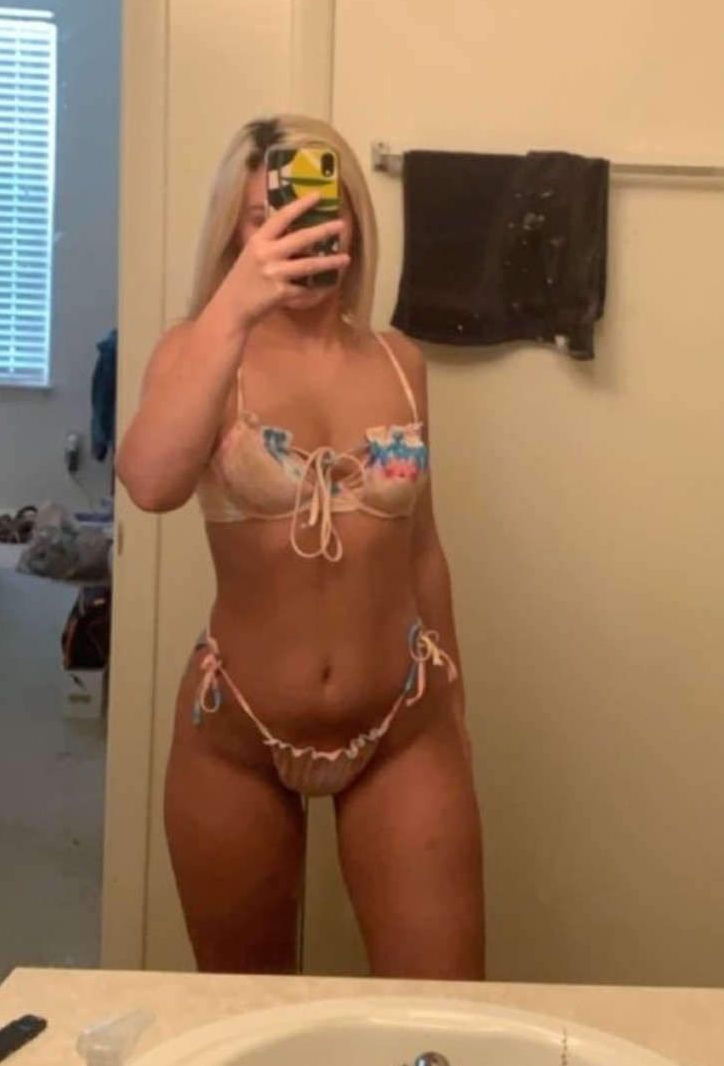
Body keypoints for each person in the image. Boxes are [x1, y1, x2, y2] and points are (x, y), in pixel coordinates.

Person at [117, 113, 485, 978]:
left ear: (352, 220)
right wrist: (235, 304)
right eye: (265, 217)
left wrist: (457, 708)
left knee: (445, 1021)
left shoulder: (399, 363)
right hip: (237, 730)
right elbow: (151, 482)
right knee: (247, 1018)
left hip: (403, 724)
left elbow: (422, 550)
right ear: (235, 233)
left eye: (320, 211)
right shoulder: (200, 352)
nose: (297, 233)